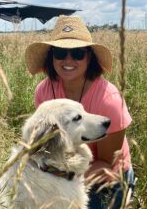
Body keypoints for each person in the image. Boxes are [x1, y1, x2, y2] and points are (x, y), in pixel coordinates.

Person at [24, 15, 134, 208]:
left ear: (89, 56)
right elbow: (45, 146)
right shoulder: (44, 90)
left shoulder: (109, 100)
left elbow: (106, 165)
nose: (68, 60)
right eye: (60, 52)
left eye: (77, 53)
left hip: (106, 177)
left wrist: (64, 184)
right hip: (63, 168)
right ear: (52, 56)